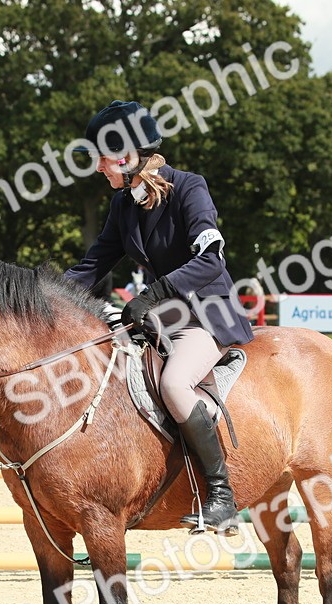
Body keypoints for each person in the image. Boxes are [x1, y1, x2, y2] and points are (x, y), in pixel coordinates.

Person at [64, 100, 254, 532]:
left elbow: (211, 259)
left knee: (174, 384)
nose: (98, 168)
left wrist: (153, 294)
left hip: (204, 315)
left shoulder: (189, 187)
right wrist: (39, 296)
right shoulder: (124, 205)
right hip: (159, 318)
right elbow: (93, 266)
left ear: (128, 157)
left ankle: (221, 495)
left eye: (103, 158)